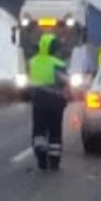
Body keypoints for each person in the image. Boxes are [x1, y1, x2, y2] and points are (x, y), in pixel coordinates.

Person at [28, 33, 69, 171]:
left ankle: (41, 155)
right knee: (55, 131)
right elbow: (64, 81)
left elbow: (29, 80)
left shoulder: (33, 62)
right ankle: (54, 160)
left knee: (39, 129)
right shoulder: (58, 63)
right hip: (55, 101)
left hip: (38, 100)